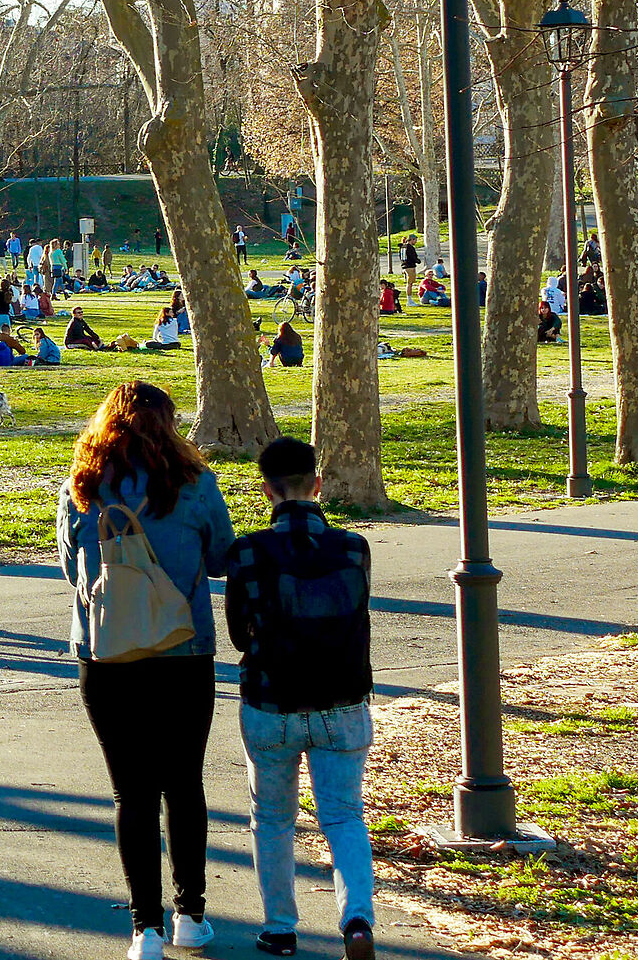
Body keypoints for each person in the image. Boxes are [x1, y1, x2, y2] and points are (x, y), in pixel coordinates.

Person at [56, 379, 234, 960]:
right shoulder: (194, 483)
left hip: (106, 655)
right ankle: (191, 912)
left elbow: (68, 569)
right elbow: (220, 560)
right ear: (168, 424)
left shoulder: (80, 488)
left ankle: (144, 929)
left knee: (130, 793)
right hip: (183, 653)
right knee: (184, 785)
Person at [224, 436, 377, 960]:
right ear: (318, 483)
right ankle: (356, 918)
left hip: (271, 701)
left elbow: (240, 636)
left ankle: (281, 927)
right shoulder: (354, 548)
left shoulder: (247, 551)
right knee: (344, 815)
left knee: (271, 817)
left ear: (266, 489)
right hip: (343, 701)